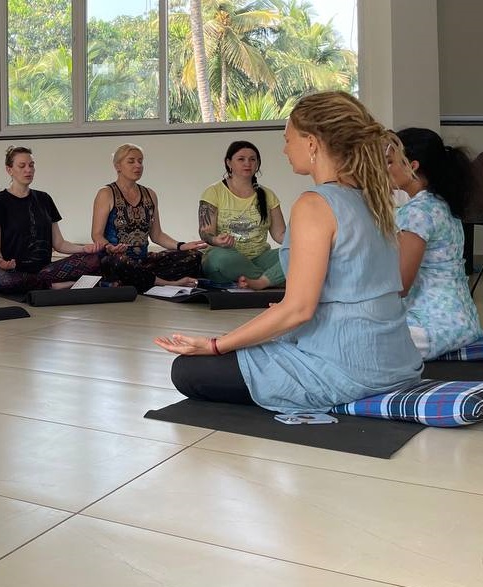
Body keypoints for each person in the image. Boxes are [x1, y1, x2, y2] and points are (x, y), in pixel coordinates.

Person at [155, 91, 422, 413]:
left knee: (189, 370)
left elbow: (299, 311)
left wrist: (214, 345)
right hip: (397, 360)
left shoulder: (315, 203)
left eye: (288, 138)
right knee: (264, 335)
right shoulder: (372, 199)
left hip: (348, 366)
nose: (284, 149)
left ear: (311, 143)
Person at [0, 146, 154, 292]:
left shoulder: (44, 199)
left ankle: (55, 282)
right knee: (4, 281)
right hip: (11, 272)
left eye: (31, 165)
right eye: (22, 166)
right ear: (9, 170)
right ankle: (58, 285)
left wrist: (85, 249)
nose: (28, 170)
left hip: (46, 270)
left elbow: (59, 244)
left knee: (100, 258)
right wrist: (0, 261)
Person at [388, 127, 481, 360]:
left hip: (432, 327)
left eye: (389, 162)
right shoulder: (441, 204)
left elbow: (400, 285)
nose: (384, 169)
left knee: (352, 341)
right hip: (463, 321)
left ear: (413, 165)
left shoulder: (417, 212)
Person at [91, 144, 206, 290]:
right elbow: (96, 234)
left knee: (194, 256)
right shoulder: (106, 193)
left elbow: (157, 235)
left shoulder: (149, 194)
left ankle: (138, 281)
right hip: (116, 260)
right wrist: (109, 247)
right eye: (131, 161)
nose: (138, 165)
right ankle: (167, 283)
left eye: (140, 161)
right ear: (117, 166)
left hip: (143, 260)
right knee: (119, 262)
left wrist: (182, 246)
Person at [198, 141, 287, 287]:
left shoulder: (268, 195)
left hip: (260, 257)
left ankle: (257, 281)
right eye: (241, 159)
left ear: (257, 164)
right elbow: (205, 233)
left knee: (297, 254)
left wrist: (303, 241)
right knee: (220, 260)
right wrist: (216, 240)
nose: (248, 163)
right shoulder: (213, 192)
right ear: (229, 163)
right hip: (227, 256)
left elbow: (280, 234)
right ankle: (273, 279)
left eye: (253, 159)